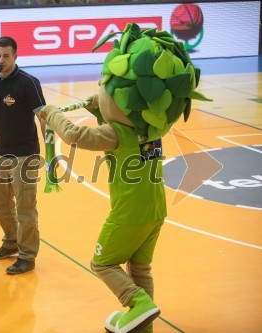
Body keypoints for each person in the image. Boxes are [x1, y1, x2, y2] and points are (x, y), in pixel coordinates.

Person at [37, 23, 211, 332]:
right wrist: (100, 109)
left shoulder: (114, 134)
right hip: (156, 210)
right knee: (140, 267)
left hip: (129, 212)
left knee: (102, 263)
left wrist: (52, 113)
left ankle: (137, 303)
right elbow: (120, 118)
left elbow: (74, 134)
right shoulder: (152, 127)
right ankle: (144, 327)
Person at [0, 36, 46, 275]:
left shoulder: (28, 82)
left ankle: (27, 256)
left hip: (25, 155)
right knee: (0, 203)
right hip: (0, 152)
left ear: (15, 56)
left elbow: (42, 117)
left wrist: (51, 151)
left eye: (5, 56)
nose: (1, 60)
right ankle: (11, 241)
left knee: (25, 208)